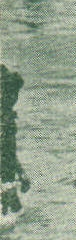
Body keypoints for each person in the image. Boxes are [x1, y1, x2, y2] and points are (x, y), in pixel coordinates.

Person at [1, 64, 31, 215]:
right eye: (12, 94)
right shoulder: (5, 119)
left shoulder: (6, 117)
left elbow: (8, 153)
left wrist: (21, 173)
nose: (15, 99)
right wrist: (21, 174)